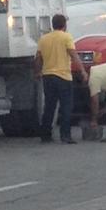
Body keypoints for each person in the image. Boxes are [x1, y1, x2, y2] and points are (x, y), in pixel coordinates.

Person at [34, 13, 87, 143]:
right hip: (63, 76)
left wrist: (37, 72)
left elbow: (38, 58)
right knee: (66, 107)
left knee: (49, 106)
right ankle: (65, 135)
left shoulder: (44, 39)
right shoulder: (66, 37)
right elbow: (73, 55)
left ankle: (45, 135)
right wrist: (82, 71)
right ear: (64, 25)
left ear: (53, 24)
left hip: (48, 77)